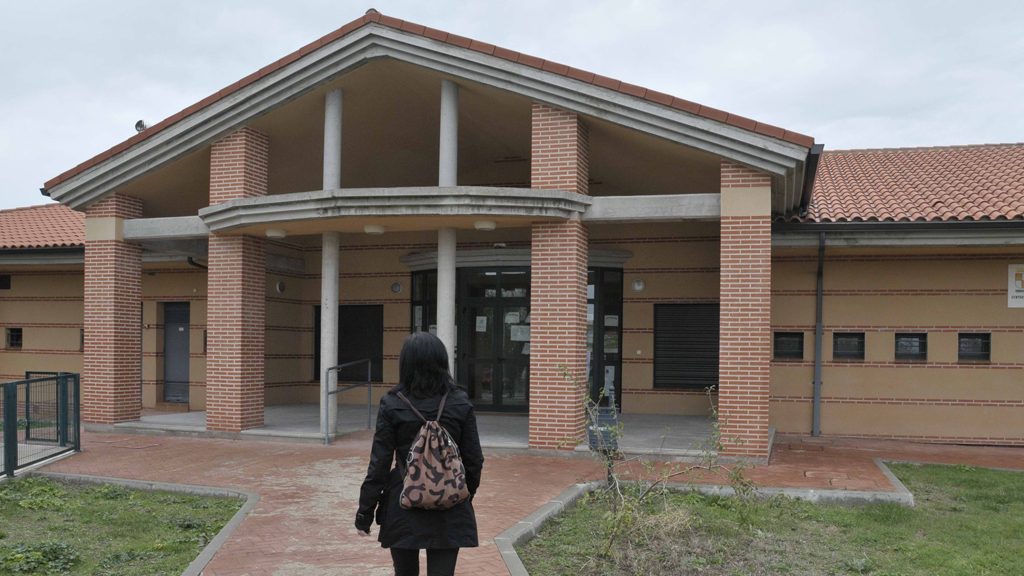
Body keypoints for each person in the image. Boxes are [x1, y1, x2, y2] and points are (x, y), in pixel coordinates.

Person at [356, 332, 484, 576]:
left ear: (406, 364)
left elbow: (379, 464)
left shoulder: (392, 403)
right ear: (441, 361)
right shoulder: (459, 401)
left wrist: (365, 512)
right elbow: (474, 459)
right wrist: (464, 493)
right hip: (450, 506)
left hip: (404, 503)